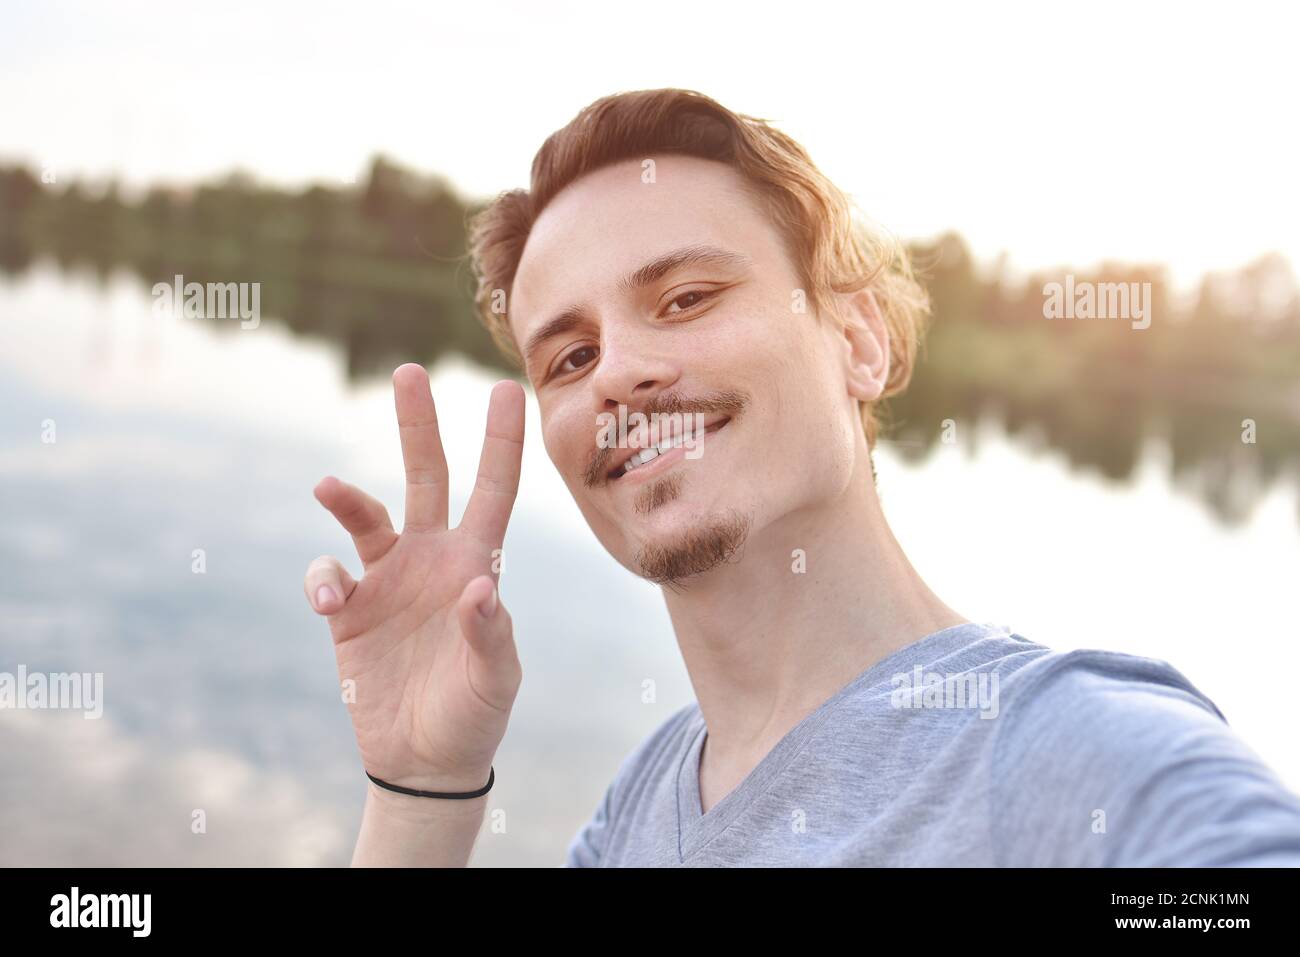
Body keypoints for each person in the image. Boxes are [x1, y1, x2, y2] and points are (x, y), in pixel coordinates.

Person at [303, 88, 1300, 867]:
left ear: (858, 340)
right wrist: (420, 790)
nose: (615, 372)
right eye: (568, 357)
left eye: (686, 297)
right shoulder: (638, 811)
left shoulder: (1071, 753)